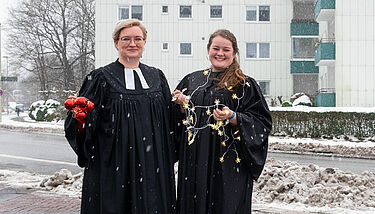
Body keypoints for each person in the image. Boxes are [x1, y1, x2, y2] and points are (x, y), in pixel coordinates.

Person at [64, 19, 176, 214]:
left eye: (137, 38)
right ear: (116, 43)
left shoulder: (157, 77)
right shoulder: (100, 77)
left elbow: (170, 121)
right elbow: (83, 120)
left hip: (152, 164)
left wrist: (182, 109)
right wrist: (79, 119)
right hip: (114, 165)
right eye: (126, 38)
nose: (132, 43)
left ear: (144, 42)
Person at [172, 29, 272, 214]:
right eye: (215, 48)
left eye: (226, 49)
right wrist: (180, 105)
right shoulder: (192, 80)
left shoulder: (244, 85)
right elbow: (178, 121)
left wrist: (234, 117)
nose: (220, 53)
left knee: (225, 205)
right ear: (208, 50)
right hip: (195, 160)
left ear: (234, 53)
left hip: (229, 164)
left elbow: (261, 122)